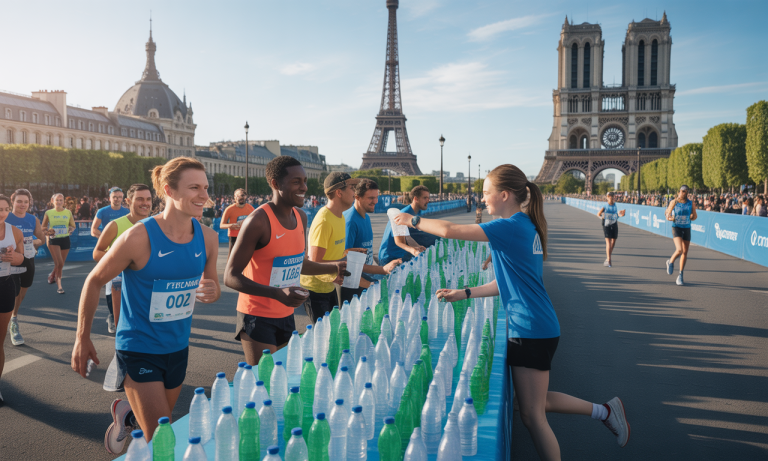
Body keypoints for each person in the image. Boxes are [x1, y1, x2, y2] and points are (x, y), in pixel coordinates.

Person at [394, 164, 630, 459]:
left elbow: (449, 230)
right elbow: (506, 283)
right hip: (536, 325)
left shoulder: (509, 227)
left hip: (530, 327)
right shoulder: (523, 225)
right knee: (532, 405)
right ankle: (605, 411)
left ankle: (605, 412)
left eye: (486, 193)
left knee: (533, 417)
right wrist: (466, 293)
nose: (482, 200)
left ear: (504, 195)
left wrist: (412, 219)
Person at [71, 157, 221, 454]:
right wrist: (82, 337)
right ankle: (135, 417)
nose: (204, 195)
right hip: (139, 349)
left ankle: (128, 416)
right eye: (194, 188)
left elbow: (212, 288)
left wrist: (211, 291)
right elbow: (94, 280)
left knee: (159, 424)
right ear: (169, 190)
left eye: (205, 187)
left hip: (178, 348)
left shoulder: (208, 238)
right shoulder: (139, 237)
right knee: (163, 438)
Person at [225, 156, 348, 365]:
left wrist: (332, 267)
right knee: (265, 385)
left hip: (286, 313)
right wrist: (276, 293)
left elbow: (298, 263)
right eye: (296, 182)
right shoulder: (257, 221)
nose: (304, 187)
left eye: (305, 181)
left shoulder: (301, 217)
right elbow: (230, 276)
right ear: (275, 184)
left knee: (281, 382)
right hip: (257, 315)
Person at [92, 184, 154, 333]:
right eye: (139, 199)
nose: (145, 203)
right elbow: (97, 252)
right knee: (123, 330)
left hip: (148, 286)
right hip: (120, 285)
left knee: (148, 329)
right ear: (128, 201)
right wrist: (122, 262)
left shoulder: (157, 225)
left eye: (148, 199)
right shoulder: (115, 225)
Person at [300, 172, 359, 322]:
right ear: (339, 192)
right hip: (315, 290)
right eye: (352, 188)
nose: (355, 192)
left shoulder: (339, 216)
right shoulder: (324, 220)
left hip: (328, 285)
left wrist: (350, 253)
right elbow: (314, 263)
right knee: (324, 338)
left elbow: (332, 253)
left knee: (332, 334)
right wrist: (341, 265)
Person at [341, 179, 401, 303]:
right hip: (354, 285)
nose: (375, 201)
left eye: (376, 197)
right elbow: (346, 265)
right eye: (371, 198)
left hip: (364, 279)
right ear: (357, 197)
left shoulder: (366, 217)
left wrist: (383, 269)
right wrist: (375, 279)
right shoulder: (350, 221)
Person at [6, 189, 45, 346]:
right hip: (8, 259)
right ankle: (13, 322)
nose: (22, 205)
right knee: (11, 291)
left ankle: (13, 316)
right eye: (19, 201)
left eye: (26, 202)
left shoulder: (32, 219)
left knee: (22, 291)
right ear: (12, 202)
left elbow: (41, 239)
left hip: (28, 259)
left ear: (30, 203)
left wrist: (32, 242)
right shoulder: (5, 216)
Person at [0, 194, 26, 405]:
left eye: (4, 209)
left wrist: (12, 257)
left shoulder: (14, 231)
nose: (1, 212)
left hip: (5, 285)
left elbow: (21, 257)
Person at [92, 187, 130, 323]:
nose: (117, 199)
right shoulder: (102, 211)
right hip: (108, 253)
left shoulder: (127, 212)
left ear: (123, 198)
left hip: (126, 253)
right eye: (115, 197)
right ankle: (112, 316)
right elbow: (93, 229)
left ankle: (125, 316)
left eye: (120, 197)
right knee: (111, 284)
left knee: (127, 284)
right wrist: (104, 237)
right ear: (110, 198)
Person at [378, 185, 435, 266]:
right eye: (425, 198)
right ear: (415, 199)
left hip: (394, 254)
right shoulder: (405, 214)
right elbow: (403, 239)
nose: (428, 200)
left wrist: (417, 246)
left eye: (428, 198)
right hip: (390, 257)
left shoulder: (410, 212)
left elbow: (407, 236)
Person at [41, 193, 75, 294]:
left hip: (65, 239)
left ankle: (52, 274)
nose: (59, 202)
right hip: (53, 240)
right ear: (52, 201)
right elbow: (43, 227)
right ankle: (59, 286)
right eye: (57, 200)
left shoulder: (68, 212)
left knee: (61, 264)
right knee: (59, 263)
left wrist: (70, 229)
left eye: (61, 200)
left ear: (64, 201)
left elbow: (72, 226)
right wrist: (47, 232)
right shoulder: (48, 212)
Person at [665, 185, 697, 286]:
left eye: (685, 191)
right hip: (677, 227)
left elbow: (695, 216)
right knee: (679, 249)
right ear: (679, 191)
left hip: (687, 227)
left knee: (685, 252)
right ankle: (670, 261)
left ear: (687, 192)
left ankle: (680, 275)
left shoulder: (691, 203)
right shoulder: (674, 202)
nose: (683, 193)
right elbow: (667, 214)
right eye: (682, 191)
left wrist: (692, 216)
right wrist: (670, 218)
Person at [220, 188, 255, 256]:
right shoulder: (229, 209)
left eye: (243, 196)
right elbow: (222, 225)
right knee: (232, 256)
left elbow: (255, 223)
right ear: (234, 197)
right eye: (238, 196)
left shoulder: (250, 208)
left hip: (246, 235)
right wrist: (232, 225)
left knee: (246, 256)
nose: (241, 198)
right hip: (234, 236)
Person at [596, 192, 626, 268]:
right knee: (608, 242)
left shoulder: (616, 205)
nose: (611, 197)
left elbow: (617, 215)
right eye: (609, 196)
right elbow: (598, 214)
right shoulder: (605, 206)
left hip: (614, 224)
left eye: (612, 196)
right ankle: (609, 260)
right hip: (606, 225)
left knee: (613, 241)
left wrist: (621, 214)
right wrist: (602, 217)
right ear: (607, 197)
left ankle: (607, 257)